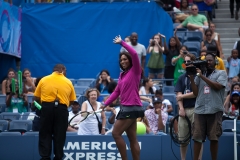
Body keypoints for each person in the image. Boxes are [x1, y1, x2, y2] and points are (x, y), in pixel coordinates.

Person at [103, 35, 144, 160]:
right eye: (121, 60)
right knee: (132, 138)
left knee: (116, 133)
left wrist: (122, 43)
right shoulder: (122, 75)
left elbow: (135, 54)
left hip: (130, 108)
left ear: (130, 60)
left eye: (125, 59)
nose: (123, 61)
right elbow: (116, 92)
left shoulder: (136, 70)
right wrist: (105, 104)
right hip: (131, 108)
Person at [34, 64, 76, 160]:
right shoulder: (68, 82)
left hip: (46, 108)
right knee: (60, 134)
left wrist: (44, 106)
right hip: (62, 109)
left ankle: (45, 157)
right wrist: (64, 107)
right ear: (62, 70)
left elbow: (36, 97)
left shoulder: (44, 80)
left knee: (45, 133)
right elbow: (72, 100)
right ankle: (58, 156)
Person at [190, 53, 228, 160]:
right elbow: (195, 92)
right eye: (206, 60)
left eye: (210, 60)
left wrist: (201, 76)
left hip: (214, 109)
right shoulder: (200, 74)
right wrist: (192, 78)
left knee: (214, 138)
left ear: (215, 62)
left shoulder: (222, 73)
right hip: (200, 110)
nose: (208, 62)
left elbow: (217, 86)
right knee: (197, 138)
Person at [174, 53, 203, 160]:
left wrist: (182, 96)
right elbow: (178, 95)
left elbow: (197, 93)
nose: (186, 63)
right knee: (183, 139)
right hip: (184, 110)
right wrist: (181, 108)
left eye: (189, 61)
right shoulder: (182, 77)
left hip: (197, 109)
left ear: (194, 62)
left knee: (198, 139)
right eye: (185, 62)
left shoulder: (199, 75)